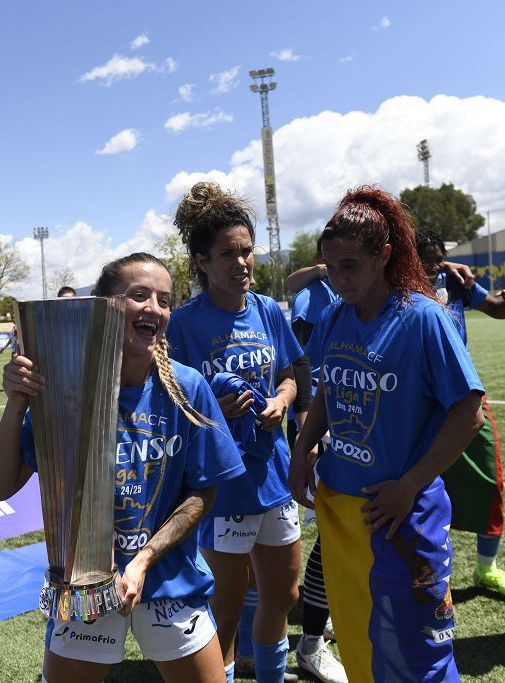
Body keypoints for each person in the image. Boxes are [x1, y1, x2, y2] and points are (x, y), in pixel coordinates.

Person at [0, 252, 244, 683]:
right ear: (103, 306)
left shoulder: (186, 387)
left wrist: (142, 560)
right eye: (138, 295)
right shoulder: (63, 393)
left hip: (168, 580)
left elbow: (203, 491)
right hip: (85, 587)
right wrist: (16, 405)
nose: (154, 309)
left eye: (164, 300)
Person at [289, 186, 484, 683]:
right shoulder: (335, 315)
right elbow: (330, 389)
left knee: (420, 652)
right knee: (360, 643)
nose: (338, 278)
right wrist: (303, 447)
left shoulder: (422, 317)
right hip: (343, 512)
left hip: (402, 518)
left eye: (350, 265)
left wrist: (410, 483)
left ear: (385, 256)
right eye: (330, 267)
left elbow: (468, 413)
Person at [165, 182, 312, 683]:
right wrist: (212, 412)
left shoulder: (269, 310)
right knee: (226, 608)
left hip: (274, 475)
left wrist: (281, 401)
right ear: (202, 262)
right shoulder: (182, 324)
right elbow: (166, 400)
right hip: (223, 486)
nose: (242, 262)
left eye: (247, 251)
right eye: (228, 253)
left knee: (283, 596)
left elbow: (294, 374)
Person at [416, 228, 505, 599]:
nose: (432, 266)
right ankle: (418, 569)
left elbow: (495, 309)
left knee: (489, 479)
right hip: (415, 399)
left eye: (437, 257)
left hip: (463, 394)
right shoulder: (394, 282)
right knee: (417, 485)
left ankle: (486, 568)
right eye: (425, 259)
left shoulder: (453, 280)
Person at [283, 254, 345, 682]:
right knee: (328, 531)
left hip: (365, 432)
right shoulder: (316, 295)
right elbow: (303, 363)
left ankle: (334, 616)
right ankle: (311, 640)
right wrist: (308, 434)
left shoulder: (387, 302)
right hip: (327, 426)